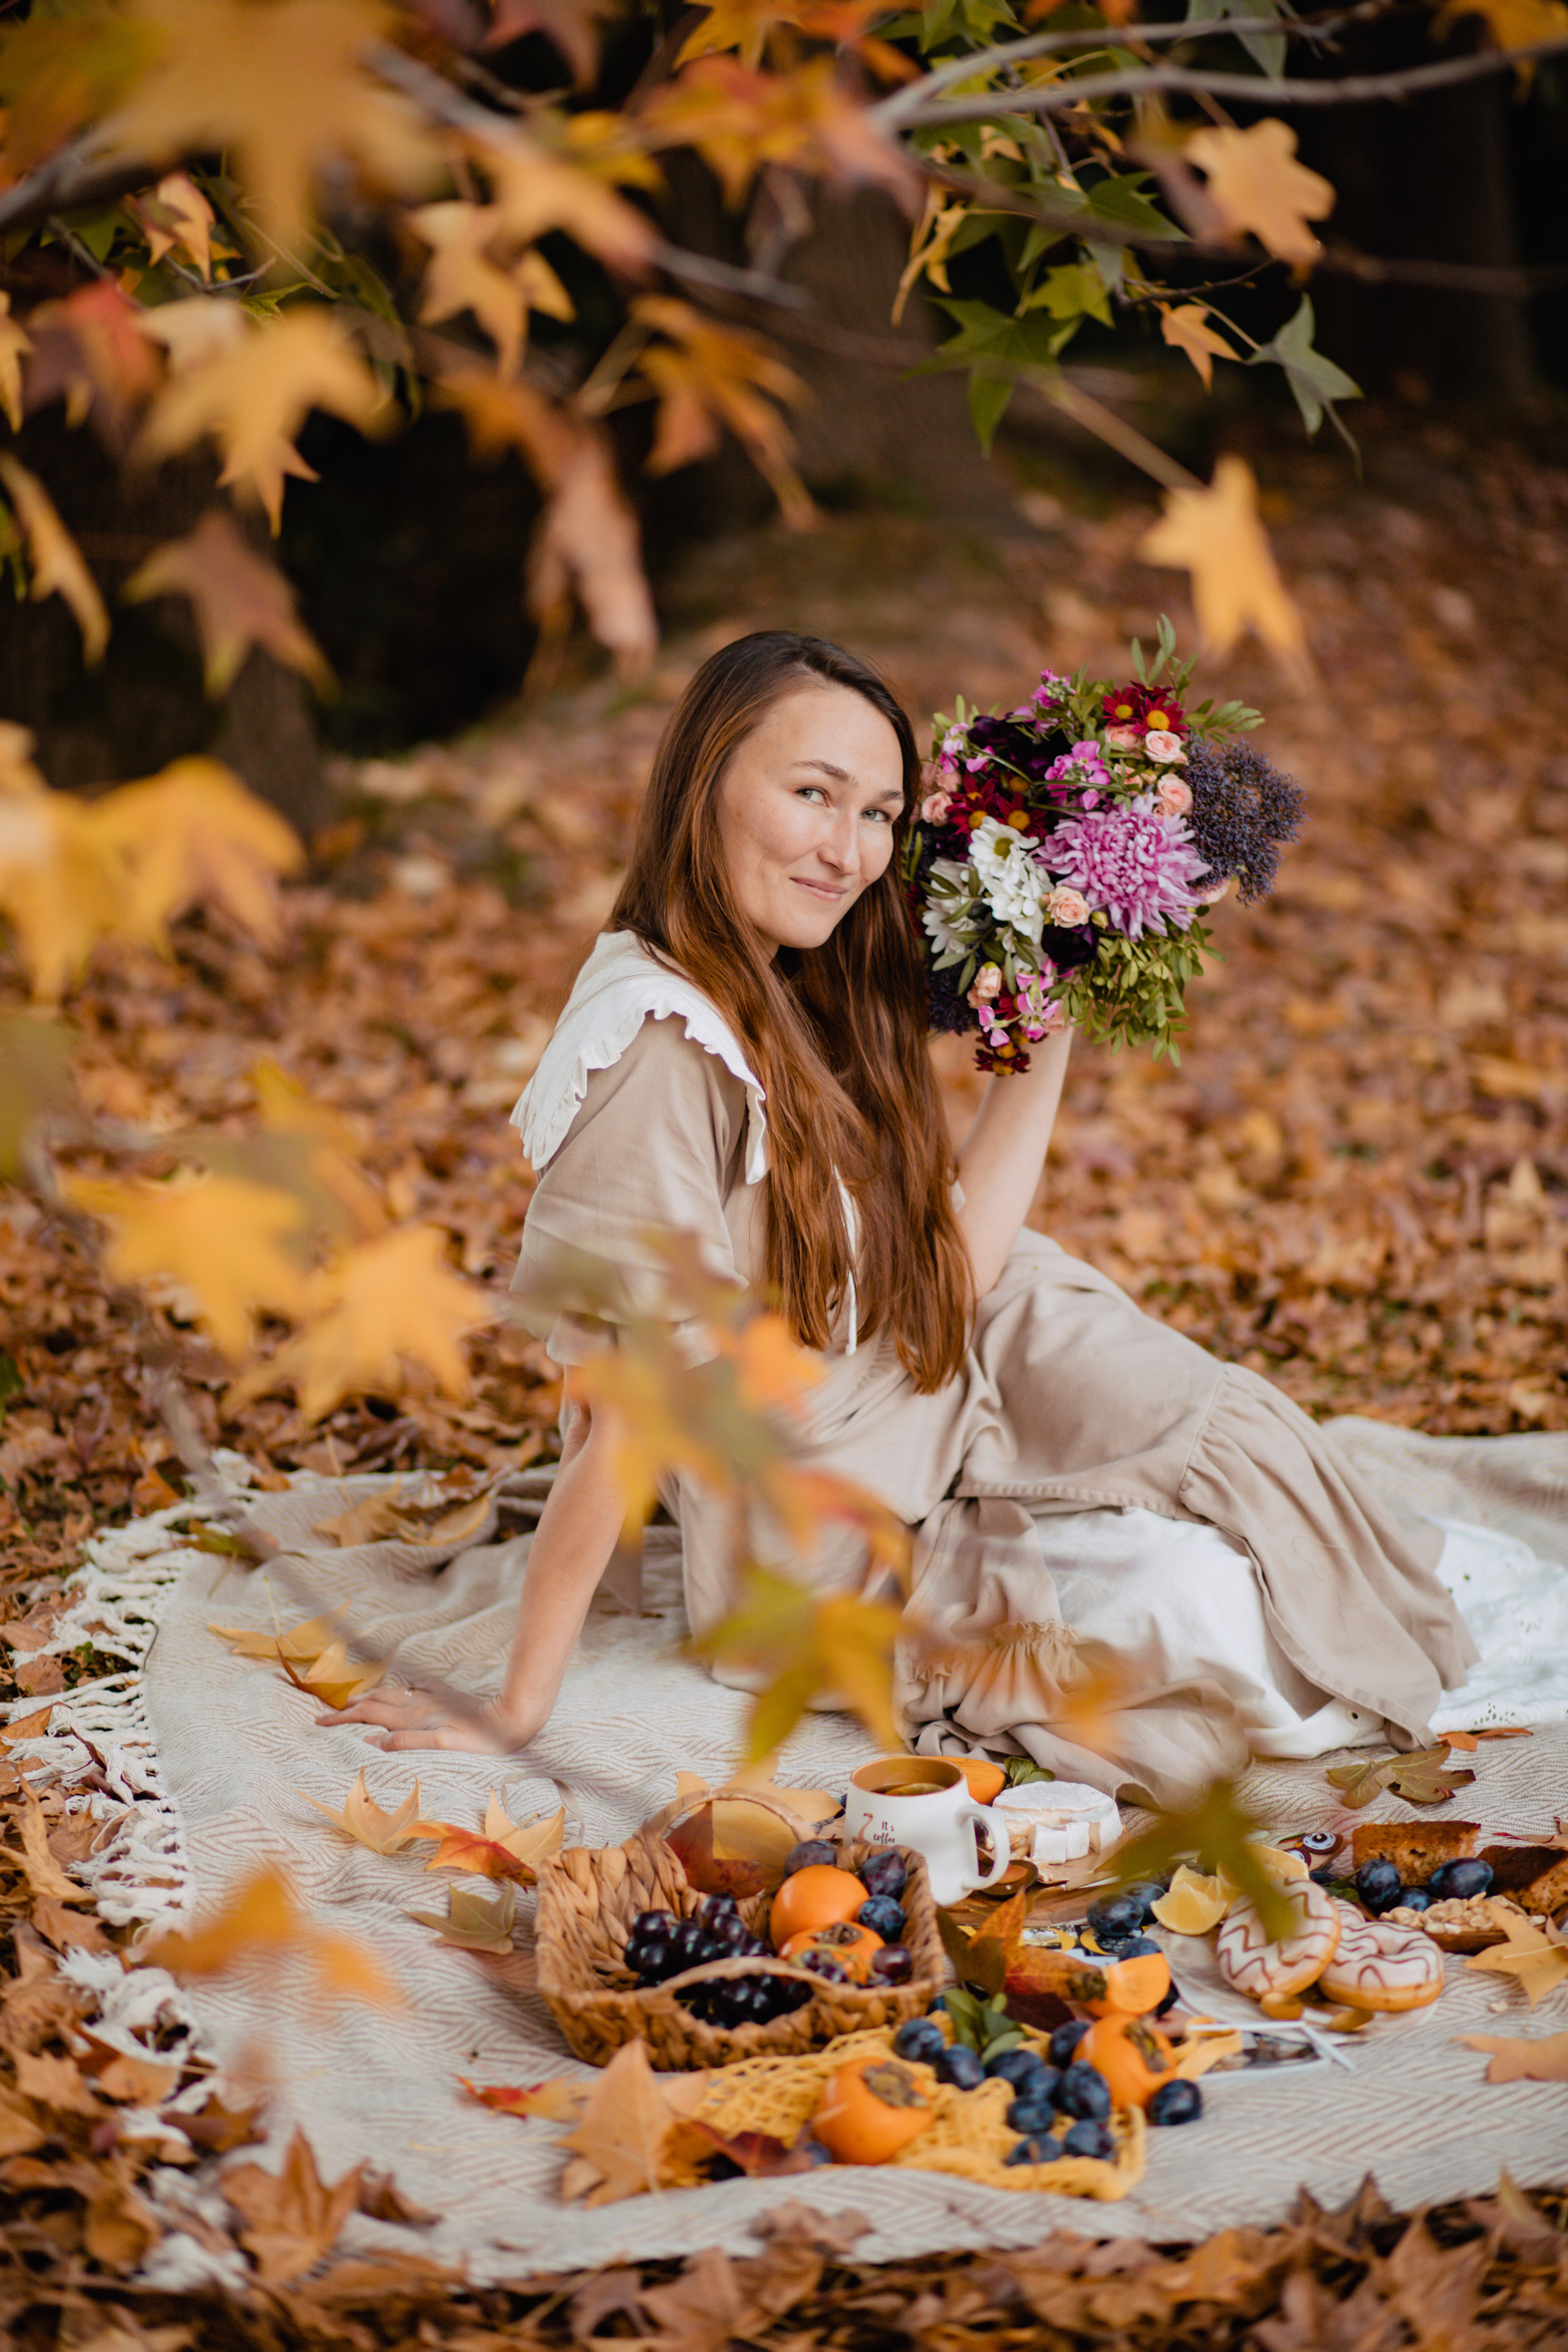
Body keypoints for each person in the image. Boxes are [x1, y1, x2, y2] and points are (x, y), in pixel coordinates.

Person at [334, 630, 1483, 1803]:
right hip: (840, 1490)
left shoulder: (794, 969)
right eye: (813, 795)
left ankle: (1330, 1561)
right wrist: (519, 1699)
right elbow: (622, 1409)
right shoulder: (658, 1044)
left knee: (1225, 1440)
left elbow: (953, 1265)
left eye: (881, 813)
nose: (850, 851)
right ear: (706, 782)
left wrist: (1062, 986)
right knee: (1206, 1616)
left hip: (943, 1329)